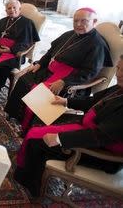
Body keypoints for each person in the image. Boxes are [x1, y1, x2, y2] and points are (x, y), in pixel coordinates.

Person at [13, 55, 123, 198]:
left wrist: (59, 139)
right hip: (88, 128)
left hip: (102, 152)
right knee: (42, 120)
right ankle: (28, 166)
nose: (119, 74)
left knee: (37, 143)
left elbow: (100, 136)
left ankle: (32, 184)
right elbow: (93, 101)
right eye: (119, 68)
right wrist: (66, 101)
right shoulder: (119, 87)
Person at [4, 8, 113, 134]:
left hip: (72, 80)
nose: (78, 24)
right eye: (75, 21)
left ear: (94, 22)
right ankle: (17, 115)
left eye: (84, 21)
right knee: (24, 80)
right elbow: (51, 52)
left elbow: (90, 73)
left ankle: (31, 128)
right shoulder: (70, 34)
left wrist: (63, 81)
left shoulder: (98, 44)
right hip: (49, 70)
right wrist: (40, 63)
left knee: (42, 95)